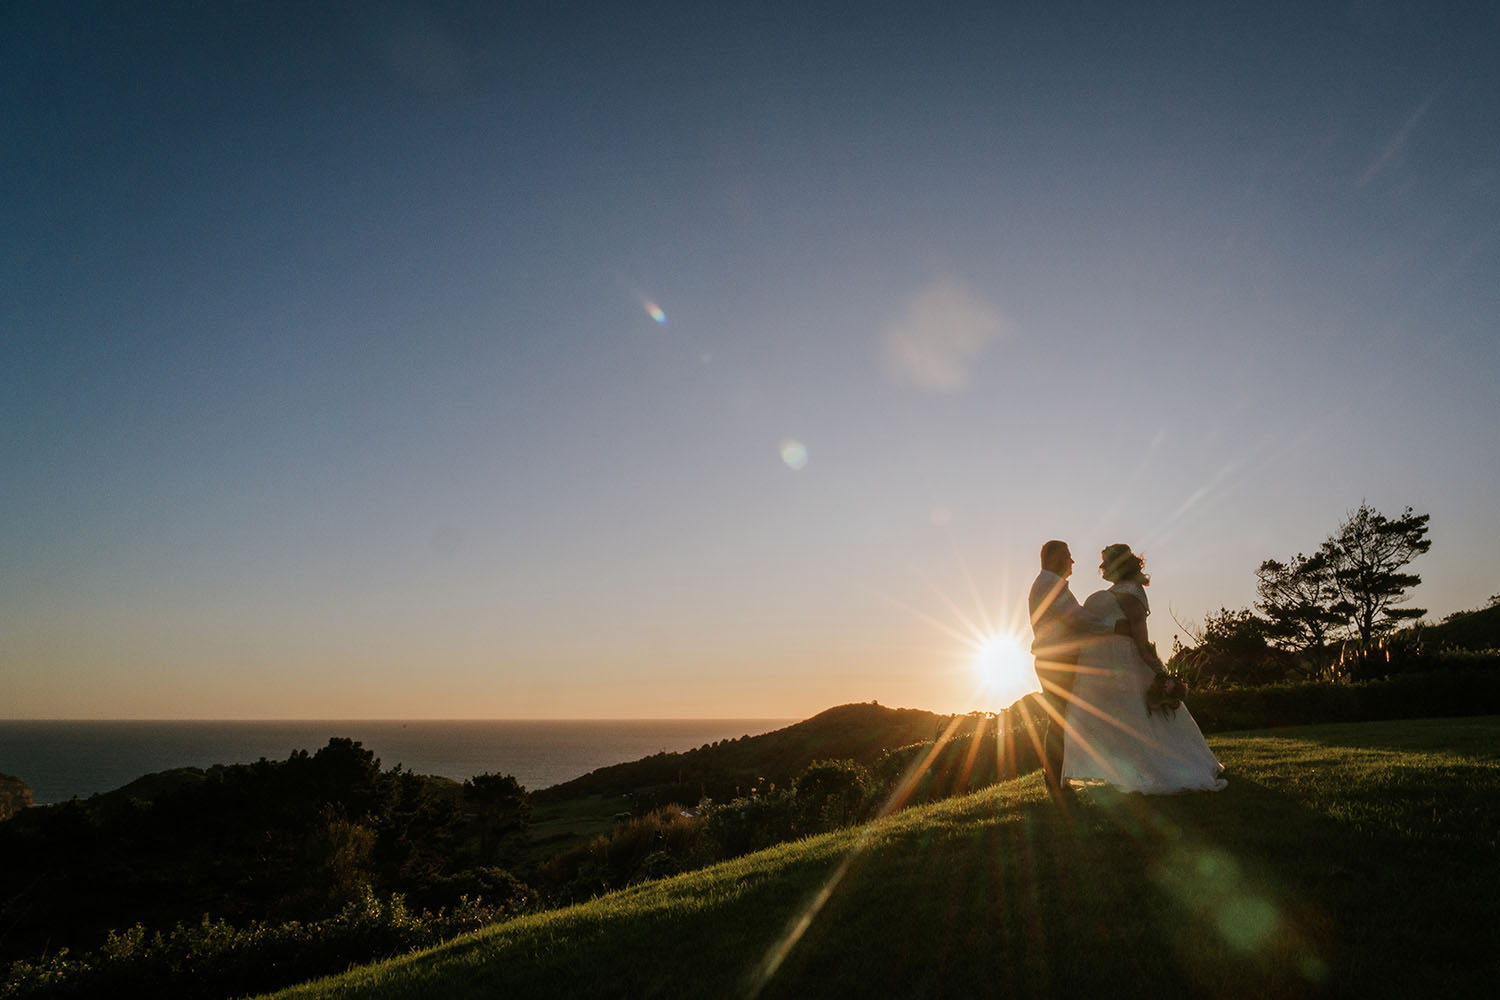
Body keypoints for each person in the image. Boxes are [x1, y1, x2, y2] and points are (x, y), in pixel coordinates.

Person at [1061, 544, 1228, 794]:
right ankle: (1116, 769)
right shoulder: (1116, 591)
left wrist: (1158, 670)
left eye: (1105, 562)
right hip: (1101, 667)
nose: (1101, 567)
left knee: (1134, 716)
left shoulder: (1131, 592)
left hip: (1123, 664)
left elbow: (1140, 636)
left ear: (1118, 565)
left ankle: (1152, 769)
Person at [1027, 540, 1121, 794]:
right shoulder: (1049, 585)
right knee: (1059, 722)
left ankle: (1059, 778)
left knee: (1062, 721)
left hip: (1057, 660)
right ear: (1057, 557)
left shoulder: (1050, 584)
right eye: (1069, 556)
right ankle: (1056, 782)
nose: (1073, 561)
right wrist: (1114, 629)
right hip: (1056, 662)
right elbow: (1076, 619)